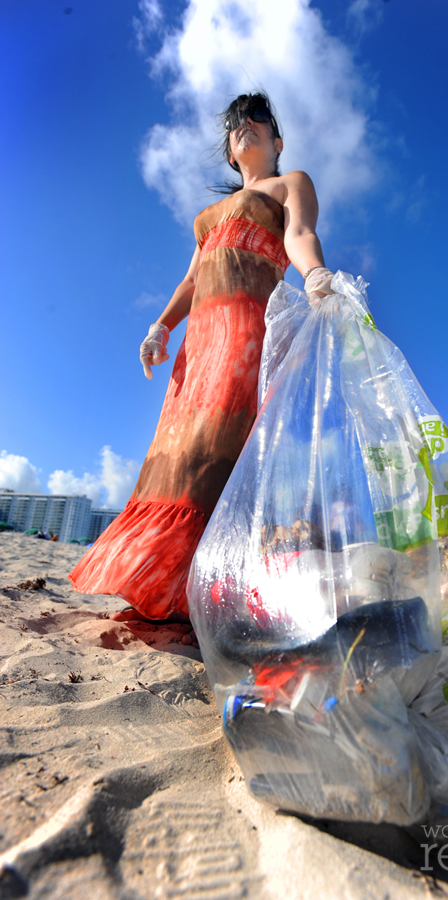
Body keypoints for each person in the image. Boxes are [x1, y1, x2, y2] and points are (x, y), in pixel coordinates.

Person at [69, 92, 335, 635]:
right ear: (232, 151)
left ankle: (211, 590)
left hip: (247, 333)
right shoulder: (207, 216)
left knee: (219, 452)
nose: (247, 127)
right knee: (176, 455)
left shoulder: (291, 184)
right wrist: (160, 327)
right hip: (200, 344)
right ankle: (164, 590)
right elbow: (190, 280)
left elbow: (299, 235)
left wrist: (314, 277)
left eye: (259, 120)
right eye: (238, 124)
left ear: (277, 142)